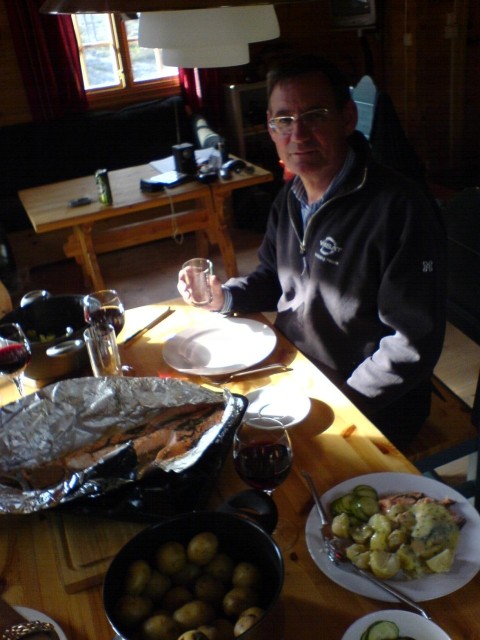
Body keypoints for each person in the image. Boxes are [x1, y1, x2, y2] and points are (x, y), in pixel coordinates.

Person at [178, 54, 447, 450]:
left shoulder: (401, 208)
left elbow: (411, 343)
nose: (298, 134)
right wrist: (225, 296)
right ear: (270, 127)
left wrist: (343, 404)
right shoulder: (291, 196)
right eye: (284, 120)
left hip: (371, 400)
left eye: (315, 115)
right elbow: (273, 277)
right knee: (203, 427)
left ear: (347, 118)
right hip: (296, 369)